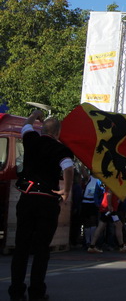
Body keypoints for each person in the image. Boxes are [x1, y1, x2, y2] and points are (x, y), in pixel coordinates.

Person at [9, 110, 75, 301]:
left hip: (27, 197)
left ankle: (16, 291)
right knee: (41, 249)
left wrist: (35, 114)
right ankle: (36, 292)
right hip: (46, 200)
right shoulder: (60, 149)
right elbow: (68, 167)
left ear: (43, 129)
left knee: (21, 247)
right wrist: (66, 190)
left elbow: (26, 126)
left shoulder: (31, 139)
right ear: (57, 133)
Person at [87, 186, 126, 253]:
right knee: (118, 224)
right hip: (110, 209)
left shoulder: (113, 184)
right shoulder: (112, 184)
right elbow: (109, 193)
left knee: (101, 226)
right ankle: (121, 246)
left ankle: (92, 246)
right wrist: (109, 205)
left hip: (107, 209)